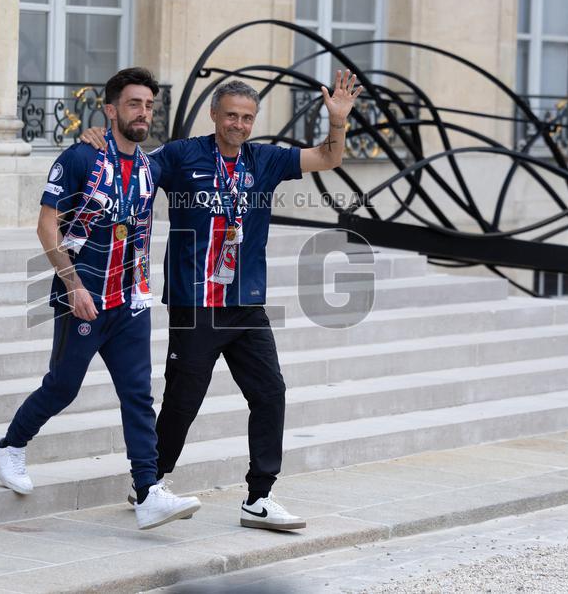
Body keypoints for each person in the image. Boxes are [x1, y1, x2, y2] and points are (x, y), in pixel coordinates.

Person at [81, 70, 362, 530]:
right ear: (214, 115)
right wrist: (100, 137)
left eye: (247, 117)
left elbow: (329, 158)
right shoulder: (181, 155)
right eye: (231, 115)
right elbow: (130, 164)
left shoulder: (266, 160)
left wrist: (338, 121)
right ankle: (149, 483)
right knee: (181, 402)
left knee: (270, 393)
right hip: (195, 305)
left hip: (247, 303)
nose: (239, 124)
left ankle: (259, 496)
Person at [0, 68, 201, 530]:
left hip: (131, 300)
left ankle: (147, 492)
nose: (143, 112)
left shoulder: (153, 165)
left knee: (138, 396)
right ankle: (9, 447)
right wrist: (73, 285)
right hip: (82, 295)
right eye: (133, 104)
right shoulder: (81, 157)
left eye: (148, 105)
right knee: (63, 387)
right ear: (110, 110)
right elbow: (47, 226)